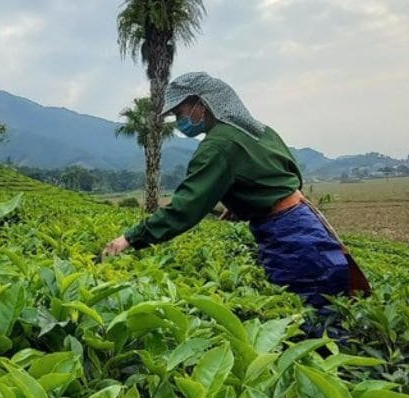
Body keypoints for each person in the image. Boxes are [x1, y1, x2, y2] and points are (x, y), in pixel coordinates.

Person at [103, 72, 370, 325]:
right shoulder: (259, 130)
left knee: (307, 315)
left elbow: (184, 209)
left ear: (201, 105)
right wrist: (246, 203)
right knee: (324, 304)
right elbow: (287, 174)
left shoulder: (218, 145)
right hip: (304, 219)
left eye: (180, 112)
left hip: (287, 233)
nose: (179, 120)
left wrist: (131, 238)